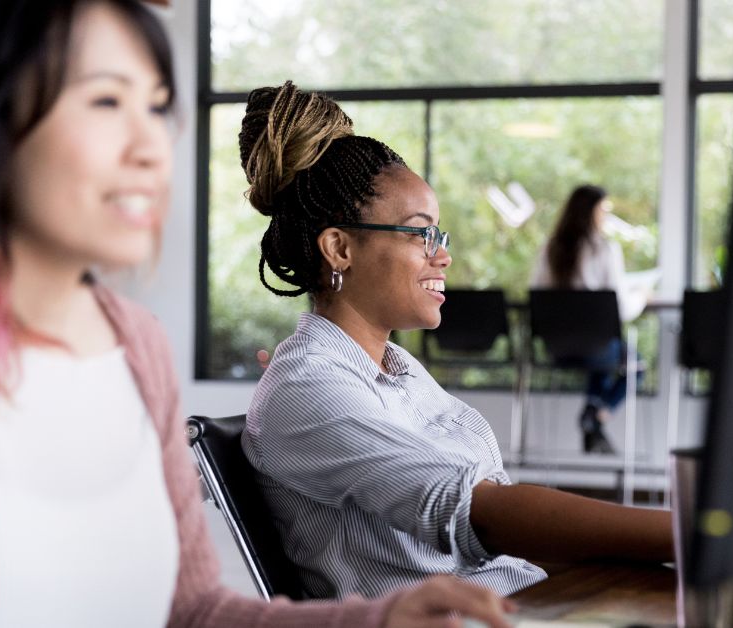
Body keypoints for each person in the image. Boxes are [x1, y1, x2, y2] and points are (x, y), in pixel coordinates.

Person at [0, 2, 516, 627]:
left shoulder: (135, 346)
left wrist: (375, 622)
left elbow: (191, 609)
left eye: (156, 107)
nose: (151, 146)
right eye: (105, 101)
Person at [239, 82, 674, 601]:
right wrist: (696, 535)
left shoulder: (394, 369)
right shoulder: (308, 387)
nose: (441, 255)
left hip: (519, 597)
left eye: (438, 235)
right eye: (419, 233)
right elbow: (475, 512)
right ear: (339, 248)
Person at [530, 185, 640, 454]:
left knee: (601, 357)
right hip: (598, 350)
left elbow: (536, 296)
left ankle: (593, 415)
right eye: (603, 210)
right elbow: (620, 310)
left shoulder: (549, 249)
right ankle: (597, 414)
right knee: (634, 365)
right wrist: (641, 297)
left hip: (557, 349)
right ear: (590, 213)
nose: (605, 216)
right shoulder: (604, 250)